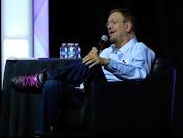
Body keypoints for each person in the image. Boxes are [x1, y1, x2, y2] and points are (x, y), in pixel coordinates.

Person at [11, 8, 155, 136]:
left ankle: (43, 76)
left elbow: (140, 74)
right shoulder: (107, 50)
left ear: (128, 26)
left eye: (113, 22)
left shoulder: (140, 48)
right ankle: (41, 132)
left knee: (93, 64)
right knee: (52, 85)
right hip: (86, 92)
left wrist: (105, 62)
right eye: (107, 24)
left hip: (113, 96)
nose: (109, 26)